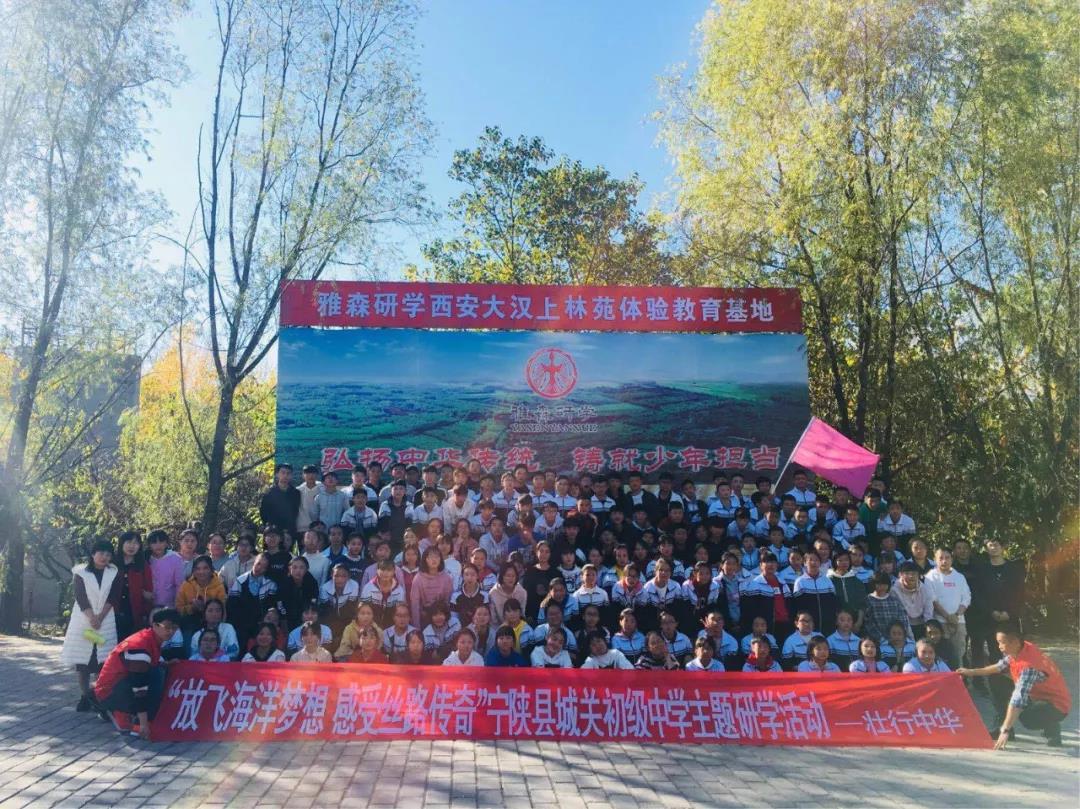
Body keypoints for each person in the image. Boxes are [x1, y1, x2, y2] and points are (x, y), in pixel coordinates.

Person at [958, 629, 1070, 748]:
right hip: (1037, 697)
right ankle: (1002, 726)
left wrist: (1005, 730)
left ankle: (1052, 727)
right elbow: (1000, 666)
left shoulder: (1028, 666)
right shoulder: (1021, 648)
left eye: (1002, 642)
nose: (999, 646)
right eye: (998, 642)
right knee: (998, 681)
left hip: (1056, 706)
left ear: (1015, 642)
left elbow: (1017, 700)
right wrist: (971, 672)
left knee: (1027, 719)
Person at [93, 608, 181, 738]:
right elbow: (139, 688)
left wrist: (165, 664)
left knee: (159, 671)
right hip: (108, 691)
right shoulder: (140, 646)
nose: (171, 631)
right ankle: (122, 714)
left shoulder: (150, 638)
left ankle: (129, 712)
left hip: (119, 684)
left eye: (174, 628)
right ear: (155, 625)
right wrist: (144, 724)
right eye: (167, 627)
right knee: (156, 675)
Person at [61, 540, 121, 712]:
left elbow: (113, 597)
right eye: (101, 553)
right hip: (84, 621)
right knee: (83, 662)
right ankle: (84, 695)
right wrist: (92, 618)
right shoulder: (81, 573)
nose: (104, 557)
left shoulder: (114, 572)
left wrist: (100, 617)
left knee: (101, 661)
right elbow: (80, 597)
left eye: (108, 554)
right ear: (93, 554)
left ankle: (97, 696)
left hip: (105, 620)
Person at [114, 531, 155, 640]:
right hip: (113, 611)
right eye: (128, 542)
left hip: (134, 612)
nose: (132, 546)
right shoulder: (112, 563)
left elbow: (149, 592)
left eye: (136, 543)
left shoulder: (143, 565)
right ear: (122, 543)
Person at [176, 555, 227, 640]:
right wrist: (192, 608)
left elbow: (222, 611)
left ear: (211, 570)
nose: (201, 572)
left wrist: (206, 608)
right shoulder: (186, 585)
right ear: (193, 571)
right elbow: (179, 608)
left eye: (205, 568)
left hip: (212, 624)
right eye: (198, 569)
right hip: (189, 623)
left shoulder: (219, 586)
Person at [410, 547, 454, 629]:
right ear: (425, 559)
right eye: (431, 557)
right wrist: (416, 627)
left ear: (440, 559)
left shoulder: (447, 578)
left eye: (437, 557)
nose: (434, 560)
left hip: (442, 616)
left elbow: (448, 601)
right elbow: (415, 604)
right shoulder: (418, 578)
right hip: (425, 617)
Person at [863, 571, 911, 644]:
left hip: (896, 639)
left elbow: (903, 618)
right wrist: (881, 638)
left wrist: (899, 634)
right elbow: (868, 623)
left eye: (885, 584)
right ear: (873, 584)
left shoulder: (894, 600)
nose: (882, 587)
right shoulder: (869, 600)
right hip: (877, 641)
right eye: (879, 584)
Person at [276, 557, 320, 631]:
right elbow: (280, 603)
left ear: (306, 569)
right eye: (295, 567)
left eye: (301, 568)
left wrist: (307, 613)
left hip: (305, 614)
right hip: (288, 614)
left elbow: (313, 600)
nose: (298, 570)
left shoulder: (312, 582)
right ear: (289, 568)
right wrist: (284, 618)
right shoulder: (283, 583)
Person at [260, 463, 301, 540]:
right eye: (283, 473)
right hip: (272, 531)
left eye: (288, 473)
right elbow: (263, 512)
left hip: (289, 531)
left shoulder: (296, 493)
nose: (285, 476)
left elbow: (295, 512)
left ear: (291, 476)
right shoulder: (269, 492)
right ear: (277, 474)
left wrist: (288, 529)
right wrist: (267, 526)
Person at [146, 529, 184, 609]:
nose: (158, 545)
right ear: (149, 545)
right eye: (154, 542)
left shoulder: (175, 558)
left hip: (170, 605)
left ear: (166, 543)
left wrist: (178, 604)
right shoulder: (145, 559)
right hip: (147, 604)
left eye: (161, 541)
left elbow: (179, 584)